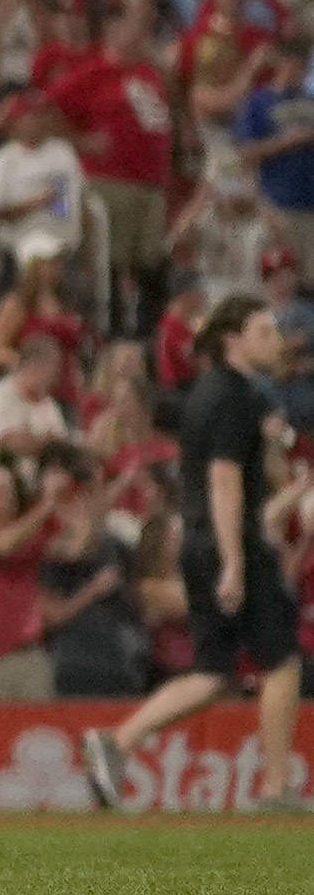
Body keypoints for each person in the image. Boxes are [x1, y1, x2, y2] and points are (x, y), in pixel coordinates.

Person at [101, 293, 295, 803]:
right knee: (282, 661)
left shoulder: (206, 392)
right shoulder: (237, 397)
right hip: (230, 542)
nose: (274, 339)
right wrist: (234, 562)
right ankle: (276, 788)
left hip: (196, 540)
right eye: (263, 331)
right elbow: (224, 481)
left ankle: (117, 741)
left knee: (212, 673)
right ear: (233, 339)